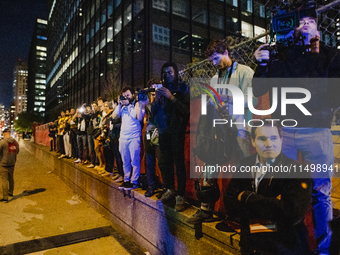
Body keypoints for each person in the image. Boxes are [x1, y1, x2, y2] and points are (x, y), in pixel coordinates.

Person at [253, 13, 340, 255]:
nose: (302, 25)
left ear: (319, 31)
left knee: (321, 192)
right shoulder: (281, 53)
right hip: (287, 131)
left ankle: (324, 250)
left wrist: (328, 109)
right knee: (282, 188)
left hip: (317, 130)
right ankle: (288, 246)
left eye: (308, 22)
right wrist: (261, 62)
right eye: (298, 22)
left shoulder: (327, 54)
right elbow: (259, 89)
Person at [188, 39, 257, 223]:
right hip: (219, 130)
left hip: (240, 128)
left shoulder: (245, 71)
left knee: (244, 171)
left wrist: (230, 99)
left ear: (226, 51)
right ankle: (206, 210)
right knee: (210, 167)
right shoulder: (214, 78)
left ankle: (244, 215)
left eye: (216, 58)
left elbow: (254, 100)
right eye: (211, 61)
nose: (214, 63)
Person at [224, 121, 311, 255]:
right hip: (250, 246)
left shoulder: (298, 171)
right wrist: (273, 205)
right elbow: (229, 204)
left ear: (281, 140)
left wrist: (247, 197)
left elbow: (291, 213)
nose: (269, 144)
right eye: (262, 138)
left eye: (274, 138)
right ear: (252, 141)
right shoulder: (244, 165)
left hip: (283, 248)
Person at [151, 62, 190, 212]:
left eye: (170, 72)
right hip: (163, 131)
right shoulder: (160, 90)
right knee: (164, 162)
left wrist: (171, 98)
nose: (166, 75)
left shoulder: (182, 87)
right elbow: (154, 112)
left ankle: (181, 195)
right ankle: (170, 190)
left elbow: (186, 110)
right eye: (164, 73)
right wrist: (156, 99)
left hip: (176, 131)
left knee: (178, 164)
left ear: (176, 73)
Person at [112, 87, 147, 190]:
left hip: (134, 137)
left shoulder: (137, 104)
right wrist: (119, 104)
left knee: (135, 160)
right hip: (123, 137)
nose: (126, 97)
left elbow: (138, 117)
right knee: (125, 160)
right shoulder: (122, 107)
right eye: (124, 95)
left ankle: (134, 181)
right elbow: (114, 116)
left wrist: (129, 105)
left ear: (132, 95)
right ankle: (126, 180)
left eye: (128, 95)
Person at [144, 77, 162, 197]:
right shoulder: (146, 101)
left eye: (156, 87)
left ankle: (166, 187)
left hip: (161, 130)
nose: (154, 90)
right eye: (152, 88)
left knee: (162, 160)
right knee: (149, 159)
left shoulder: (163, 98)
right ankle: (151, 186)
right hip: (149, 131)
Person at [0, 129, 19, 202]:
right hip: (12, 163)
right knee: (11, 178)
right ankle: (10, 192)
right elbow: (17, 151)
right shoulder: (15, 143)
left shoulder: (3, 142)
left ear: (4, 134)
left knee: (4, 180)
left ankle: (5, 197)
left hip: (3, 164)